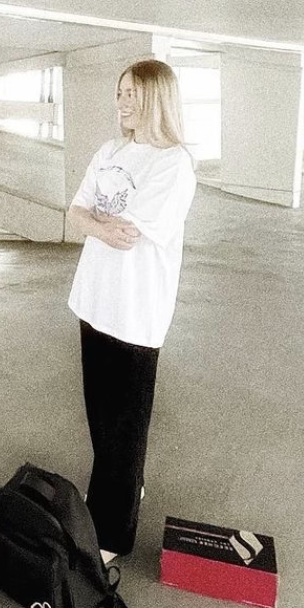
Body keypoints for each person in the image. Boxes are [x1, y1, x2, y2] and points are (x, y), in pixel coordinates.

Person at [66, 58, 197, 564]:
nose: (121, 102)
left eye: (131, 94)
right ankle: (118, 485)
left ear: (155, 100)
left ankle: (113, 534)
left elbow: (128, 232)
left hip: (136, 309)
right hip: (94, 299)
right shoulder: (108, 151)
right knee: (100, 415)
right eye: (119, 93)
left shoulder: (173, 164)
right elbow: (76, 213)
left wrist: (95, 221)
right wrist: (97, 222)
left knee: (126, 424)